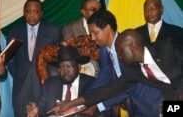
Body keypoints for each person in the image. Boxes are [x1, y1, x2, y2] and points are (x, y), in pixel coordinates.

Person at [48, 29, 183, 116]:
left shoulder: (168, 47)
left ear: (132, 46)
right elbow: (110, 89)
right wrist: (71, 103)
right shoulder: (133, 71)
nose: (118, 57)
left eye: (120, 51)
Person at [78, 10, 164, 117]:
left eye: (95, 33)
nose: (92, 38)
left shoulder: (128, 48)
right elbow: (103, 78)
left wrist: (98, 105)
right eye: (90, 34)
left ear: (108, 28)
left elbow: (128, 85)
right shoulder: (104, 51)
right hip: (132, 105)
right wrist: (80, 101)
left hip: (152, 104)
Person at [7, 0, 63, 117]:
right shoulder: (14, 31)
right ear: (24, 12)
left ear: (41, 13)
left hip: (45, 87)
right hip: (21, 88)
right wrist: (20, 74)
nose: (32, 15)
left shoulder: (53, 31)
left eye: (36, 11)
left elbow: (59, 59)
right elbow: (10, 60)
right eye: (28, 11)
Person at [26, 45, 95, 117]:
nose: (65, 71)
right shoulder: (49, 85)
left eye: (69, 66)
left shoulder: (91, 83)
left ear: (79, 66)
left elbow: (98, 111)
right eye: (61, 67)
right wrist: (35, 113)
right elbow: (41, 113)